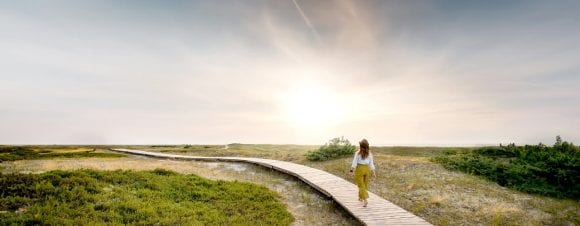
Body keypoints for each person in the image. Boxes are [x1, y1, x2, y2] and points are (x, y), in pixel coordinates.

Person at [350, 138, 376, 207]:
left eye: (361, 146)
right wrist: (373, 172)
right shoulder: (370, 154)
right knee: (364, 185)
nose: (360, 147)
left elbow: (354, 162)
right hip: (367, 170)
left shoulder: (357, 153)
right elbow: (371, 164)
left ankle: (365, 200)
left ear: (362, 146)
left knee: (361, 185)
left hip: (360, 170)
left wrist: (351, 170)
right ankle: (360, 197)